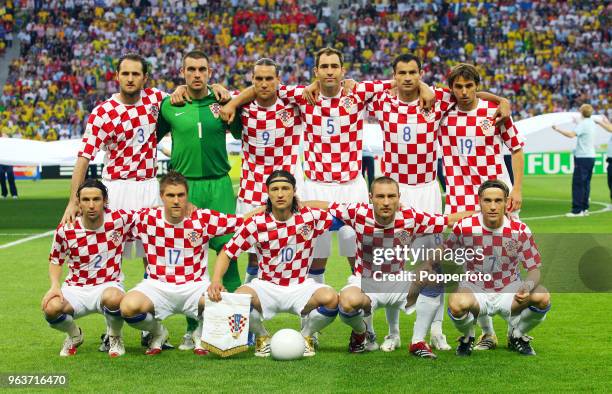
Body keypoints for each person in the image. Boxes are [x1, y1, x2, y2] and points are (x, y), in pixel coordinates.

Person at [367, 54, 511, 352]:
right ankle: (392, 332)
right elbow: (350, 88)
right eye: (402, 73)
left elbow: (468, 92)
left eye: (413, 72)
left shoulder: (440, 99)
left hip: (428, 190)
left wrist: (501, 101)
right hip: (394, 193)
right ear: (394, 75)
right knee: (390, 263)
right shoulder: (381, 99)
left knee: (433, 264)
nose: (408, 77)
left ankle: (436, 331)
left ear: (421, 74)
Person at [305, 176, 472, 357]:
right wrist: (294, 203)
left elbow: (449, 220)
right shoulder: (358, 212)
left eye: (391, 196)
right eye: (380, 196)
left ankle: (418, 341)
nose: (386, 202)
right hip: (365, 282)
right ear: (371, 197)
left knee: (433, 278)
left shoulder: (411, 217)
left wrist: (485, 213)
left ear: (399, 197)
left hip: (397, 282)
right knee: (346, 302)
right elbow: (324, 205)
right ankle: (362, 333)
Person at [156, 50, 242, 350]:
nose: (196, 74)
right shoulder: (169, 105)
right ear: (182, 72)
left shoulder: (223, 103)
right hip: (185, 188)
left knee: (228, 254)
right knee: (187, 260)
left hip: (219, 185)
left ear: (209, 72)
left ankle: (233, 326)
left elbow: (243, 129)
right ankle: (193, 326)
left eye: (201, 69)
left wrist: (229, 97)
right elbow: (148, 137)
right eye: (190, 69)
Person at [438, 63, 525, 350]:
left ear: (477, 86)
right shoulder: (444, 110)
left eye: (469, 86)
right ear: (451, 89)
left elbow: (516, 148)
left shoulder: (494, 113)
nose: (463, 92)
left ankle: (516, 330)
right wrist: (499, 96)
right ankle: (488, 333)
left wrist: (518, 188)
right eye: (458, 87)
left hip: (496, 194)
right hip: (461, 198)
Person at [208, 170, 339, 357]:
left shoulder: (310, 217)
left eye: (285, 188)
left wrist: (306, 204)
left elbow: (340, 215)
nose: (280, 194)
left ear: (294, 191)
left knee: (331, 298)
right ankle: (262, 337)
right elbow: (227, 252)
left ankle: (306, 336)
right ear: (267, 192)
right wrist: (216, 279)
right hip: (266, 287)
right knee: (240, 298)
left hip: (300, 286)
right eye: (275, 189)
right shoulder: (256, 223)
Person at [119, 171, 245, 356]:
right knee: (128, 307)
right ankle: (158, 332)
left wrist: (273, 208)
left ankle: (200, 333)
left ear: (187, 196)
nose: (176, 200)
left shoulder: (202, 219)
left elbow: (242, 220)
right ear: (161, 196)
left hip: (195, 286)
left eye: (181, 195)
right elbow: (110, 221)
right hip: (157, 286)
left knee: (223, 301)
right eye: (170, 195)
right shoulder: (147, 218)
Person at [218, 58, 305, 285]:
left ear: (278, 80)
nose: (264, 83)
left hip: (286, 193)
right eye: (259, 79)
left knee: (295, 255)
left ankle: (296, 302)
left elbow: (317, 89)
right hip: (251, 192)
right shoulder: (242, 107)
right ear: (252, 80)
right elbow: (217, 95)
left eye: (269, 78)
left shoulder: (292, 104)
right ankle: (252, 310)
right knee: (254, 258)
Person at [446, 180, 551, 356]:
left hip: (508, 290)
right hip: (476, 289)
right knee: (456, 302)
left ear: (506, 202)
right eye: (487, 201)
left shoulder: (520, 229)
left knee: (542, 295)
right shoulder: (464, 227)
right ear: (479, 201)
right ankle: (468, 337)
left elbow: (534, 269)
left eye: (498, 200)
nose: (493, 206)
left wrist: (527, 286)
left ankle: (517, 335)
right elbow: (448, 259)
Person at [41, 179, 130, 357]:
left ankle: (114, 336)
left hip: (108, 286)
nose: (91, 205)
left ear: (105, 201)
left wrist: (187, 208)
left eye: (96, 199)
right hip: (76, 288)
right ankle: (74, 335)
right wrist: (54, 286)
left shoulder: (120, 219)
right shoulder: (66, 229)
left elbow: (154, 215)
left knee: (115, 298)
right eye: (86, 200)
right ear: (78, 202)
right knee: (50, 308)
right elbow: (56, 260)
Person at [552, 104, 598, 216]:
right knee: (586, 183)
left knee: (578, 184)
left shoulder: (583, 124)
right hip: (590, 156)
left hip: (582, 157)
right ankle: (585, 208)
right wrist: (576, 122)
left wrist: (557, 129)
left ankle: (577, 210)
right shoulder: (591, 123)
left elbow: (571, 135)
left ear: (581, 112)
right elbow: (583, 130)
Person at [594, 116, 612, 201]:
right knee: (610, 183)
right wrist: (606, 121)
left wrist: (599, 122)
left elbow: (610, 129)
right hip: (610, 161)